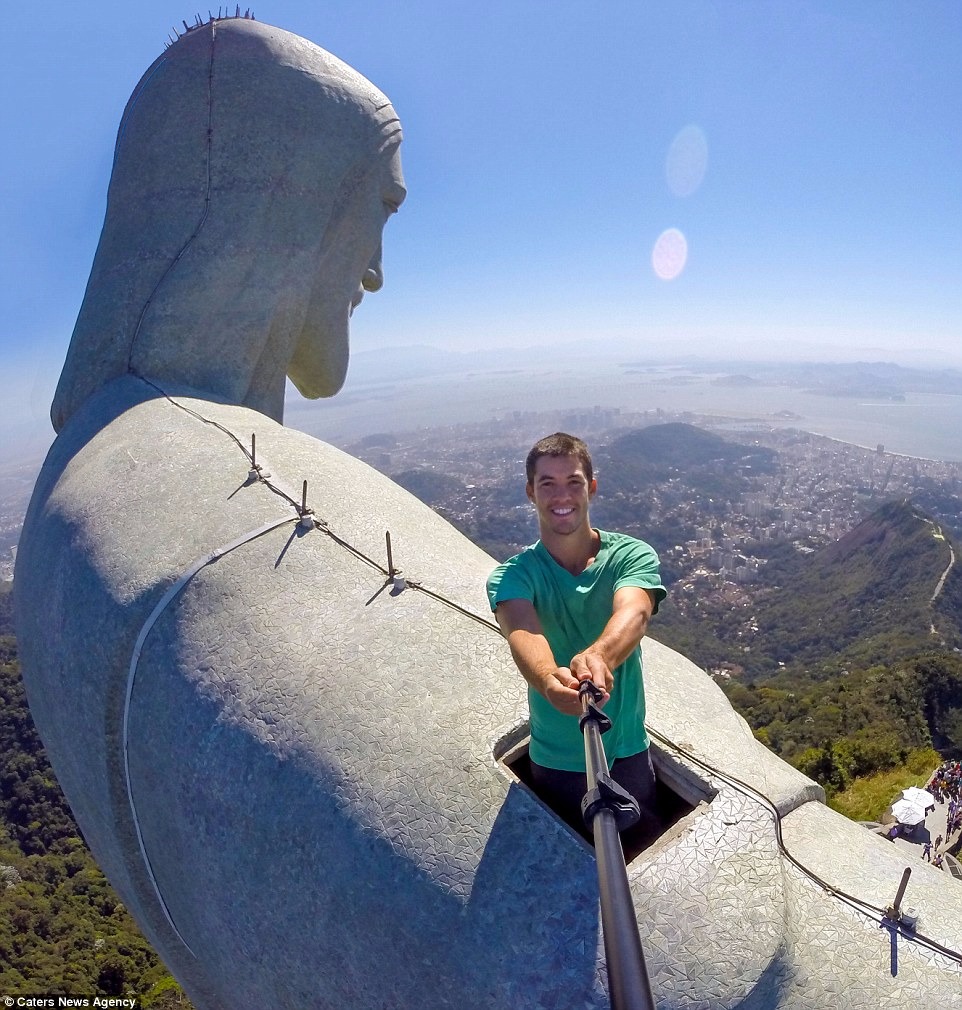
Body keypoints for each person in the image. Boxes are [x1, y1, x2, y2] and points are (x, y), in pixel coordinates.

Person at [486, 432, 667, 843]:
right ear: (531, 492)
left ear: (592, 488)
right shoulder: (513, 575)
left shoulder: (630, 555)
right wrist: (551, 681)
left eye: (573, 482)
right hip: (554, 757)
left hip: (627, 747)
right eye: (547, 483)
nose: (561, 495)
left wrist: (600, 656)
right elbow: (521, 629)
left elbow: (635, 610)